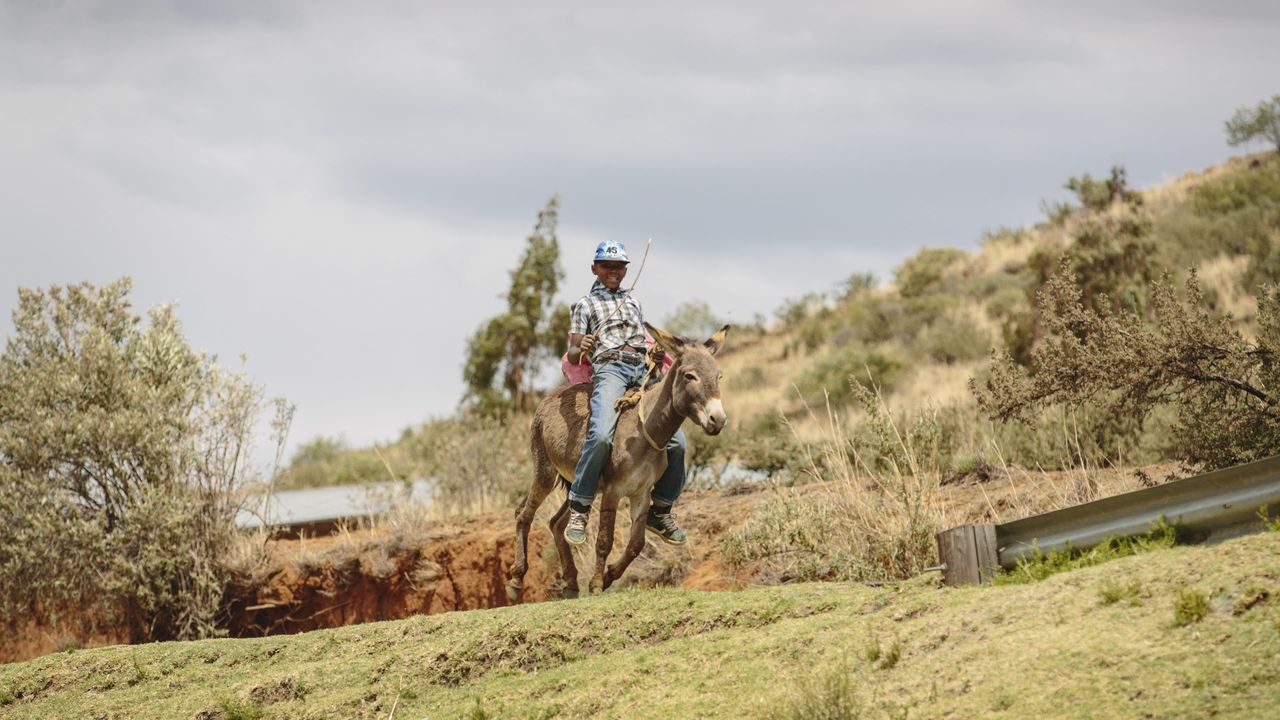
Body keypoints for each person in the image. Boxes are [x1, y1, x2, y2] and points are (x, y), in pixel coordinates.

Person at [563, 240, 687, 547]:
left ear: (626, 270)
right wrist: (583, 349)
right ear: (595, 269)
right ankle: (579, 506)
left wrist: (655, 356)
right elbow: (573, 352)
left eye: (619, 267)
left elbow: (642, 342)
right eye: (607, 266)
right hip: (610, 370)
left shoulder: (634, 303)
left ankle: (662, 508)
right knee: (602, 434)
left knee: (677, 442)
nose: (614, 272)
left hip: (642, 373)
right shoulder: (585, 305)